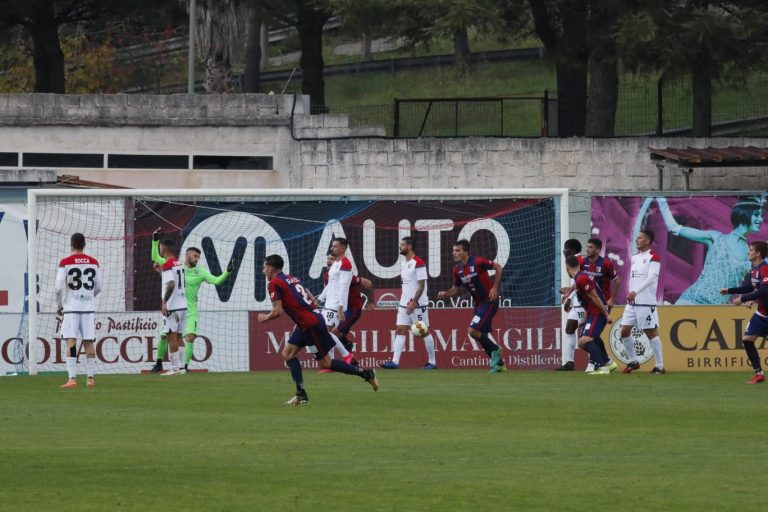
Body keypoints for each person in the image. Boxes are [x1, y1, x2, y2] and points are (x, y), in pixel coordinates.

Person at [258, 254, 379, 405]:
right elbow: (306, 298)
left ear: (270, 268)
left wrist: (265, 318)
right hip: (306, 322)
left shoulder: (274, 283)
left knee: (326, 363)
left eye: (265, 268)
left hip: (310, 325)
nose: (264, 271)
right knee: (288, 354)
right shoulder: (292, 278)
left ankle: (365, 373)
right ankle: (300, 393)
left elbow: (277, 311)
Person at [657, 196, 764, 304]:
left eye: (761, 215)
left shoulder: (751, 253)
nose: (761, 219)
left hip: (717, 310)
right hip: (693, 300)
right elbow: (673, 227)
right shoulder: (715, 237)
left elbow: (755, 284)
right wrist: (660, 198)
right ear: (745, 213)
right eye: (756, 215)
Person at [437, 239, 506, 373]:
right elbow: (456, 290)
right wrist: (446, 294)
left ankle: (496, 350)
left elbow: (498, 267)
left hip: (489, 301)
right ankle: (499, 365)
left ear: (466, 252)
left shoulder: (478, 261)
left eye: (457, 250)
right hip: (478, 304)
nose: (454, 253)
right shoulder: (457, 269)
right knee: (480, 334)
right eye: (453, 251)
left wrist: (495, 288)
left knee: (472, 330)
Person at [379, 237, 438, 370]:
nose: (400, 247)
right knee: (400, 329)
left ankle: (432, 362)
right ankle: (394, 362)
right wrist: (406, 301)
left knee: (422, 331)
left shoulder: (419, 262)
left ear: (410, 246)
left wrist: (414, 301)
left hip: (417, 304)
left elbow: (422, 285)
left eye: (403, 245)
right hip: (404, 303)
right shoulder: (403, 263)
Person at [56, 233, 103, 388]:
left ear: (71, 244)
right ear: (84, 244)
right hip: (88, 309)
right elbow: (99, 287)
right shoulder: (94, 262)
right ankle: (90, 378)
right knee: (89, 342)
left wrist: (59, 306)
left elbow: (58, 288)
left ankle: (72, 379)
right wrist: (89, 297)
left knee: (71, 341)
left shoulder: (65, 262)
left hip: (71, 309)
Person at [719, 241, 768, 384]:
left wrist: (743, 299)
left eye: (751, 250)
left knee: (747, 340)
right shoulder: (754, 270)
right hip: (762, 314)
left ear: (758, 253)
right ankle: (759, 374)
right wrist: (730, 291)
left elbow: (765, 290)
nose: (748, 252)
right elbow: (748, 287)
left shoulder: (765, 268)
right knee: (747, 340)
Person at [179, 246, 234, 372]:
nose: (197, 259)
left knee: (190, 337)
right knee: (167, 337)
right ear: (188, 255)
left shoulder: (201, 271)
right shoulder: (178, 267)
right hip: (175, 309)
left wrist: (228, 272)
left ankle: (184, 367)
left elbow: (217, 281)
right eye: (195, 256)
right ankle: (160, 364)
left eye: (198, 257)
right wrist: (155, 242)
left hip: (190, 311)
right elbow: (159, 263)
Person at [620, 230, 665, 374]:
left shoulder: (654, 257)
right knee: (624, 331)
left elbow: (651, 278)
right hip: (632, 302)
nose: (636, 240)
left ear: (647, 241)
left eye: (640, 238)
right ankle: (633, 361)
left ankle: (660, 366)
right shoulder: (634, 258)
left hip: (646, 302)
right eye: (637, 238)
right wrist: (631, 292)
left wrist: (635, 291)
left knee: (650, 332)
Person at [564, 255, 614, 375]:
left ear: (567, 268)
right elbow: (588, 302)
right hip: (592, 313)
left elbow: (595, 297)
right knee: (588, 340)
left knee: (585, 340)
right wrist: (585, 319)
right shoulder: (579, 278)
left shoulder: (581, 279)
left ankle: (603, 367)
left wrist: (606, 315)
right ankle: (607, 361)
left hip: (598, 312)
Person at [317, 253, 374, 354]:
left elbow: (368, 284)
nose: (328, 261)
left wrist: (370, 302)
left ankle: (344, 354)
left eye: (331, 259)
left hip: (352, 310)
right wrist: (317, 302)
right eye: (328, 259)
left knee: (333, 332)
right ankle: (346, 348)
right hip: (337, 308)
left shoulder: (348, 277)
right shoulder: (327, 276)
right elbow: (329, 292)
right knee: (328, 331)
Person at [150, 228, 187, 376]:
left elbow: (171, 285)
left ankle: (175, 368)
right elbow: (174, 282)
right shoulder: (178, 263)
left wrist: (164, 302)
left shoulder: (168, 264)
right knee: (179, 336)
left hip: (173, 305)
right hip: (183, 305)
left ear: (163, 248)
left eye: (160, 247)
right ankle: (183, 368)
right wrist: (161, 273)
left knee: (171, 335)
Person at [315, 238, 356, 367]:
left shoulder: (345, 264)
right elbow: (330, 285)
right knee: (325, 333)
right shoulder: (335, 264)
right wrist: (320, 299)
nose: (332, 248)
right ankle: (334, 362)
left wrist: (340, 308)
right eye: (332, 246)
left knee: (325, 332)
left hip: (336, 305)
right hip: (329, 304)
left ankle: (344, 356)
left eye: (335, 246)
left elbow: (344, 287)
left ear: (343, 248)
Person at [581, 237, 620, 371]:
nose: (587, 249)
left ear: (597, 250)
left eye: (590, 247)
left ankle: (599, 364)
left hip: (602, 305)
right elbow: (580, 280)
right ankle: (606, 362)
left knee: (587, 337)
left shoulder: (605, 264)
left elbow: (617, 281)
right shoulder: (583, 262)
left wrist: (612, 299)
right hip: (589, 306)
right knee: (593, 335)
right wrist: (569, 292)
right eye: (587, 246)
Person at [556, 239, 584, 371]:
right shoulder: (572, 262)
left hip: (584, 302)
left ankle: (595, 362)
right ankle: (570, 363)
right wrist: (569, 291)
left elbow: (582, 282)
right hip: (577, 302)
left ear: (573, 250)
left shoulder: (579, 262)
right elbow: (577, 283)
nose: (564, 251)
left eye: (566, 248)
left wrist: (568, 297)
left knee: (586, 335)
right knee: (569, 329)